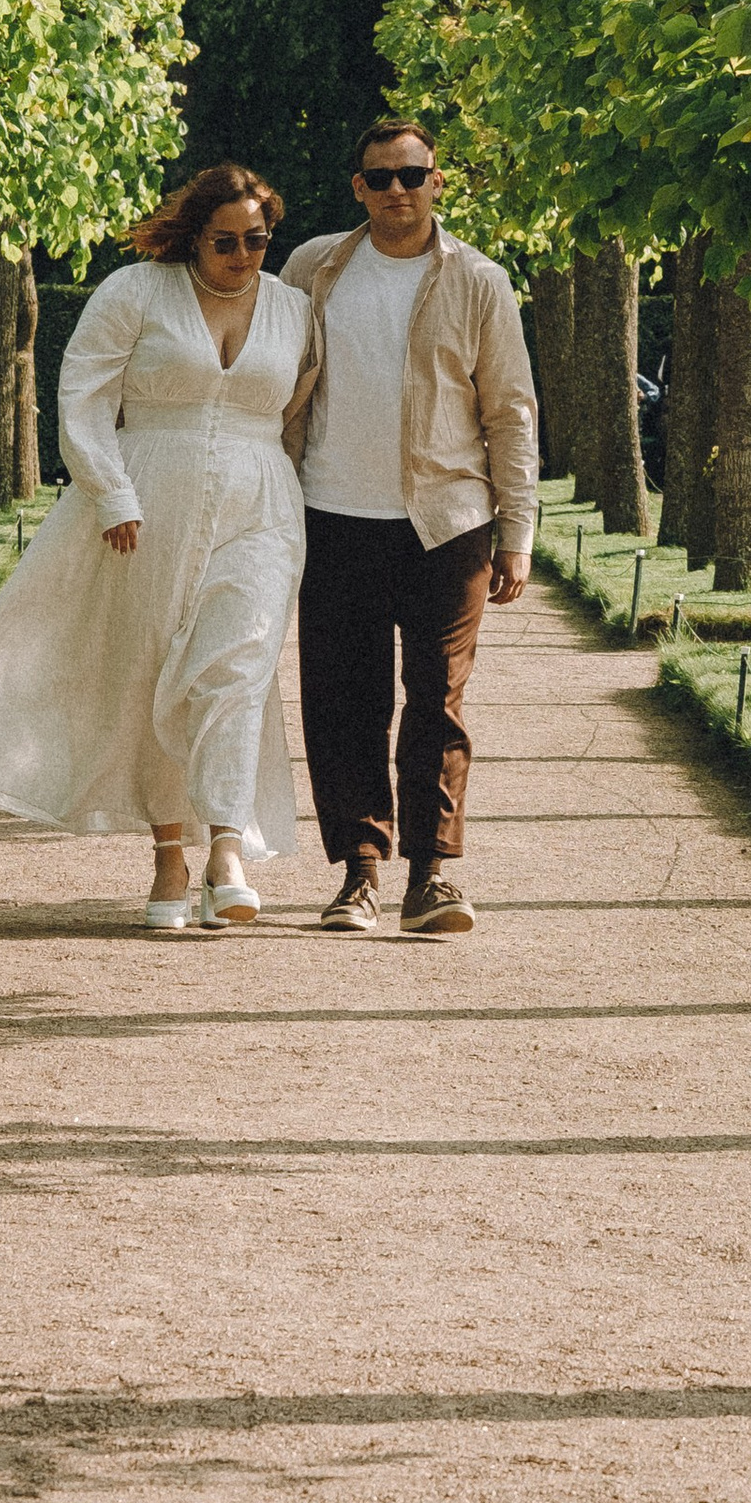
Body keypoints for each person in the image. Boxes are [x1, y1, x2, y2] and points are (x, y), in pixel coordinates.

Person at [0, 168, 312, 931]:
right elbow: (84, 398)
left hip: (260, 504)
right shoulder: (134, 292)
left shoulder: (294, 309)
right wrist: (113, 494)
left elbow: (298, 410)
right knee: (154, 669)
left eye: (258, 239)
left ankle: (227, 844)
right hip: (148, 499)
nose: (244, 254)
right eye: (226, 241)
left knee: (239, 660)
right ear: (194, 234)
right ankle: (169, 855)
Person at [281, 117, 537, 936]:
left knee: (437, 699)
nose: (398, 189)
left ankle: (433, 876)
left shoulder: (480, 280)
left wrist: (517, 532)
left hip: (447, 522)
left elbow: (511, 409)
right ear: (358, 187)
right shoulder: (312, 268)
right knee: (341, 699)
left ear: (437, 181)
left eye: (412, 174)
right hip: (331, 514)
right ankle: (359, 873)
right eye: (380, 177)